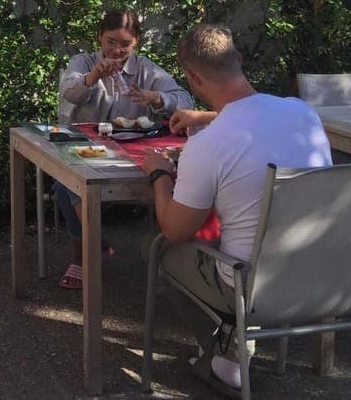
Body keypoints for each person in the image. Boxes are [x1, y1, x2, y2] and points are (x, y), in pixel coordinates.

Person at [141, 23, 331, 395]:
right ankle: (230, 354)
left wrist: (159, 175)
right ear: (238, 59)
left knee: (157, 249)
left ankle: (224, 354)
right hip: (322, 274)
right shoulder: (303, 114)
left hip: (252, 286)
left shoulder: (209, 145)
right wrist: (206, 116)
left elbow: (177, 230)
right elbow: (254, 115)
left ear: (193, 78)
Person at [55, 9, 193, 289]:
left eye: (124, 44)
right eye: (110, 42)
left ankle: (90, 249)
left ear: (136, 43)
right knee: (67, 180)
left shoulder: (146, 69)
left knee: (66, 185)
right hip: (87, 148)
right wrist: (93, 76)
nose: (116, 50)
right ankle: (90, 249)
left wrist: (157, 98)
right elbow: (68, 91)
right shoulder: (83, 62)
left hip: (132, 150)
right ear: (99, 38)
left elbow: (185, 100)